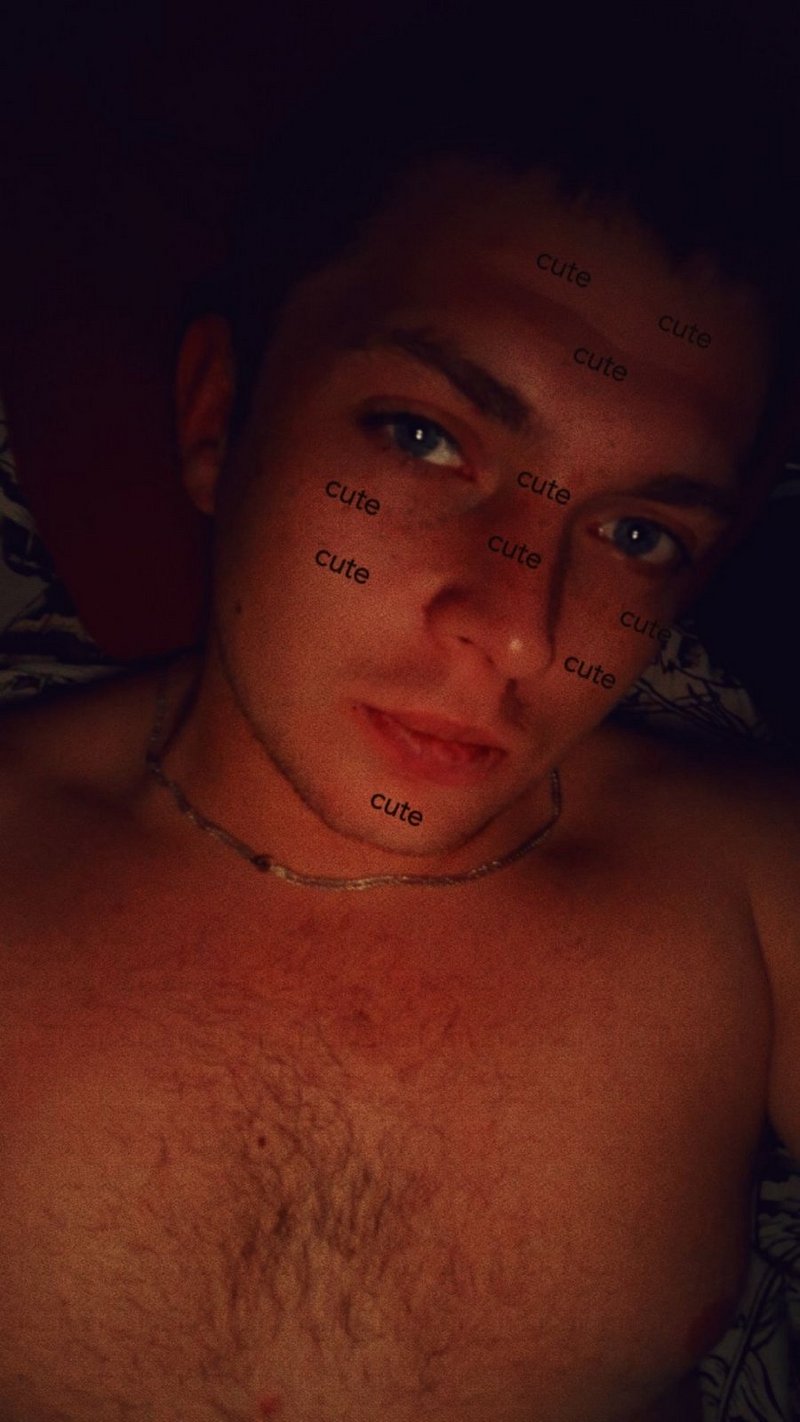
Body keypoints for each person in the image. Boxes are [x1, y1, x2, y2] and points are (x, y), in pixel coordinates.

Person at [1, 3, 799, 1419]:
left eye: (638, 534)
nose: (519, 627)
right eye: (425, 437)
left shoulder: (752, 885)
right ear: (219, 416)